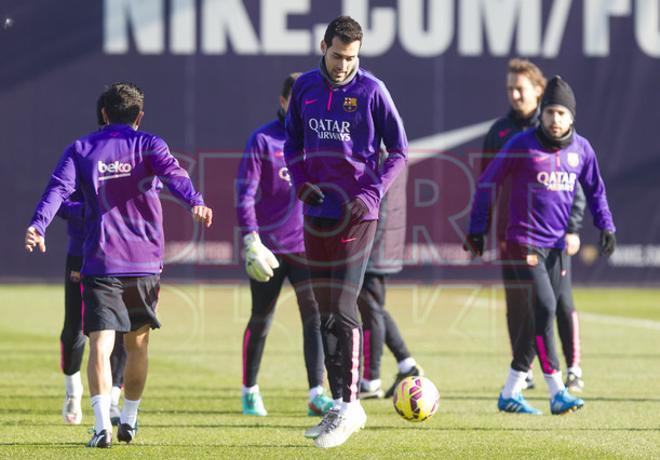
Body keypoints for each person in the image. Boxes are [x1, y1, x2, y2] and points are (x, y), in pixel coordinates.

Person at [25, 82, 213, 448]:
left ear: (104, 114)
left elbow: (56, 190)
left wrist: (38, 224)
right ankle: (128, 418)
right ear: (139, 116)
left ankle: (100, 428)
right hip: (144, 261)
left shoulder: (81, 148)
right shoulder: (150, 144)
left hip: (102, 259)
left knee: (100, 343)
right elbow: (176, 176)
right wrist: (195, 202)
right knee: (138, 343)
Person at [284, 16, 407, 448]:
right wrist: (300, 182)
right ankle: (338, 401)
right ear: (323, 45)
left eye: (351, 57)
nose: (342, 64)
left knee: (343, 304)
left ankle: (353, 406)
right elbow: (291, 143)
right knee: (322, 309)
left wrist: (373, 194)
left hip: (357, 214)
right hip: (318, 210)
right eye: (337, 55)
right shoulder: (304, 88)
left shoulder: (372, 90)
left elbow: (399, 152)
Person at [465, 76, 616, 415]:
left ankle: (510, 391)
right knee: (545, 307)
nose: (554, 119)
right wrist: (477, 229)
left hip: (557, 247)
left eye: (561, 112)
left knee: (542, 312)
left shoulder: (582, 150)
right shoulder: (522, 144)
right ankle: (557, 389)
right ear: (542, 114)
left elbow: (595, 191)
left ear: (571, 117)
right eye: (549, 112)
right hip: (524, 242)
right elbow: (487, 181)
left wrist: (605, 225)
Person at [482, 59, 586, 392]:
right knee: (517, 304)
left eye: (521, 88)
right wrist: (483, 228)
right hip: (513, 234)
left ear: (538, 91)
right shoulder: (499, 132)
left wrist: (572, 227)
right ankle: (523, 369)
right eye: (510, 88)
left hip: (553, 235)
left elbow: (576, 184)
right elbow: (487, 182)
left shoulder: (555, 129)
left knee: (559, 302)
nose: (514, 94)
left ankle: (573, 369)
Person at [236, 72, 333, 417]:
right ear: (283, 102)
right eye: (297, 100)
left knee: (315, 317)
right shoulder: (263, 140)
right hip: (269, 248)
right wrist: (251, 239)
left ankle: (316, 393)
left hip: (308, 246)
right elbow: (245, 195)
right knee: (261, 317)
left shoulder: (320, 140)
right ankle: (249, 391)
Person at [57, 192, 127, 426]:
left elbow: (149, 189)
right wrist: (89, 211)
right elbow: (58, 201)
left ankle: (113, 398)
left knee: (119, 329)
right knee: (74, 330)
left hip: (121, 253)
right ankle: (72, 390)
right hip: (81, 253)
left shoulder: (130, 159)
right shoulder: (78, 156)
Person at [356, 164, 423, 400]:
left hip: (376, 238)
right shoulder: (390, 143)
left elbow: (378, 198)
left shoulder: (380, 145)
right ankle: (407, 365)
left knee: (370, 307)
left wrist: (367, 240)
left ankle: (371, 380)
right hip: (382, 237)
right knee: (373, 307)